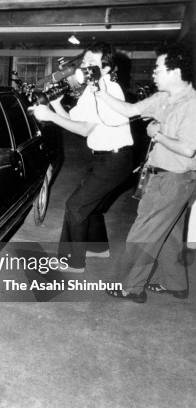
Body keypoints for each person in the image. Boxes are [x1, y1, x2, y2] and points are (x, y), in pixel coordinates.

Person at [94, 43, 196, 302]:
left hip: (174, 179)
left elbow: (187, 149)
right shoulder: (164, 97)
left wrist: (157, 135)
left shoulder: (192, 105)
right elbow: (129, 110)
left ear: (175, 72)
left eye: (158, 68)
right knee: (169, 233)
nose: (153, 73)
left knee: (143, 234)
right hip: (163, 177)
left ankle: (131, 287)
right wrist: (98, 90)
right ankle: (176, 284)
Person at [31, 42, 134, 273]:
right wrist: (56, 105)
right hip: (105, 159)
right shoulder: (92, 90)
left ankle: (72, 262)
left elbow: (84, 130)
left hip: (115, 159)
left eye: (91, 63)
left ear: (106, 69)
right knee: (91, 205)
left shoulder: (108, 89)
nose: (84, 67)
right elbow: (74, 121)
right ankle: (97, 248)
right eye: (84, 62)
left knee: (76, 206)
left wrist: (49, 115)